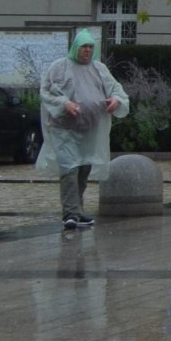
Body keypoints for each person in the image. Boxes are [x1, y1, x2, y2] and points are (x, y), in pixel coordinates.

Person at [38, 28, 129, 231]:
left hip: (90, 130)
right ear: (75, 47)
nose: (87, 50)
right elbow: (46, 92)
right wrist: (64, 104)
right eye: (83, 46)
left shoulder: (99, 69)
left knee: (83, 169)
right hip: (63, 130)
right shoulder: (59, 68)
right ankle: (70, 213)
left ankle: (77, 210)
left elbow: (116, 90)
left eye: (90, 46)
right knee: (69, 169)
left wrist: (115, 100)